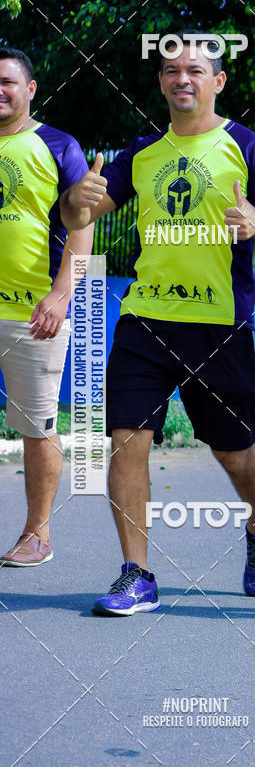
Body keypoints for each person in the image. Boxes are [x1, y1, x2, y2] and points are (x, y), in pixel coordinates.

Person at [61, 34, 255, 615]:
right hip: (145, 321)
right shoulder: (140, 153)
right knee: (126, 443)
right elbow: (79, 214)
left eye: (194, 69)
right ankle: (136, 573)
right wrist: (76, 199)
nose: (180, 78)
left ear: (217, 81)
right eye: (169, 70)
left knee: (236, 455)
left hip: (218, 327)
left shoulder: (248, 146)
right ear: (160, 82)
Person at [0, 47, 93, 566]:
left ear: (30, 89)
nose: (0, 89)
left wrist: (60, 296)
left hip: (31, 316)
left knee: (36, 428)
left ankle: (38, 535)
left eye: (8, 81)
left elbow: (83, 229)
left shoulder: (57, 146)